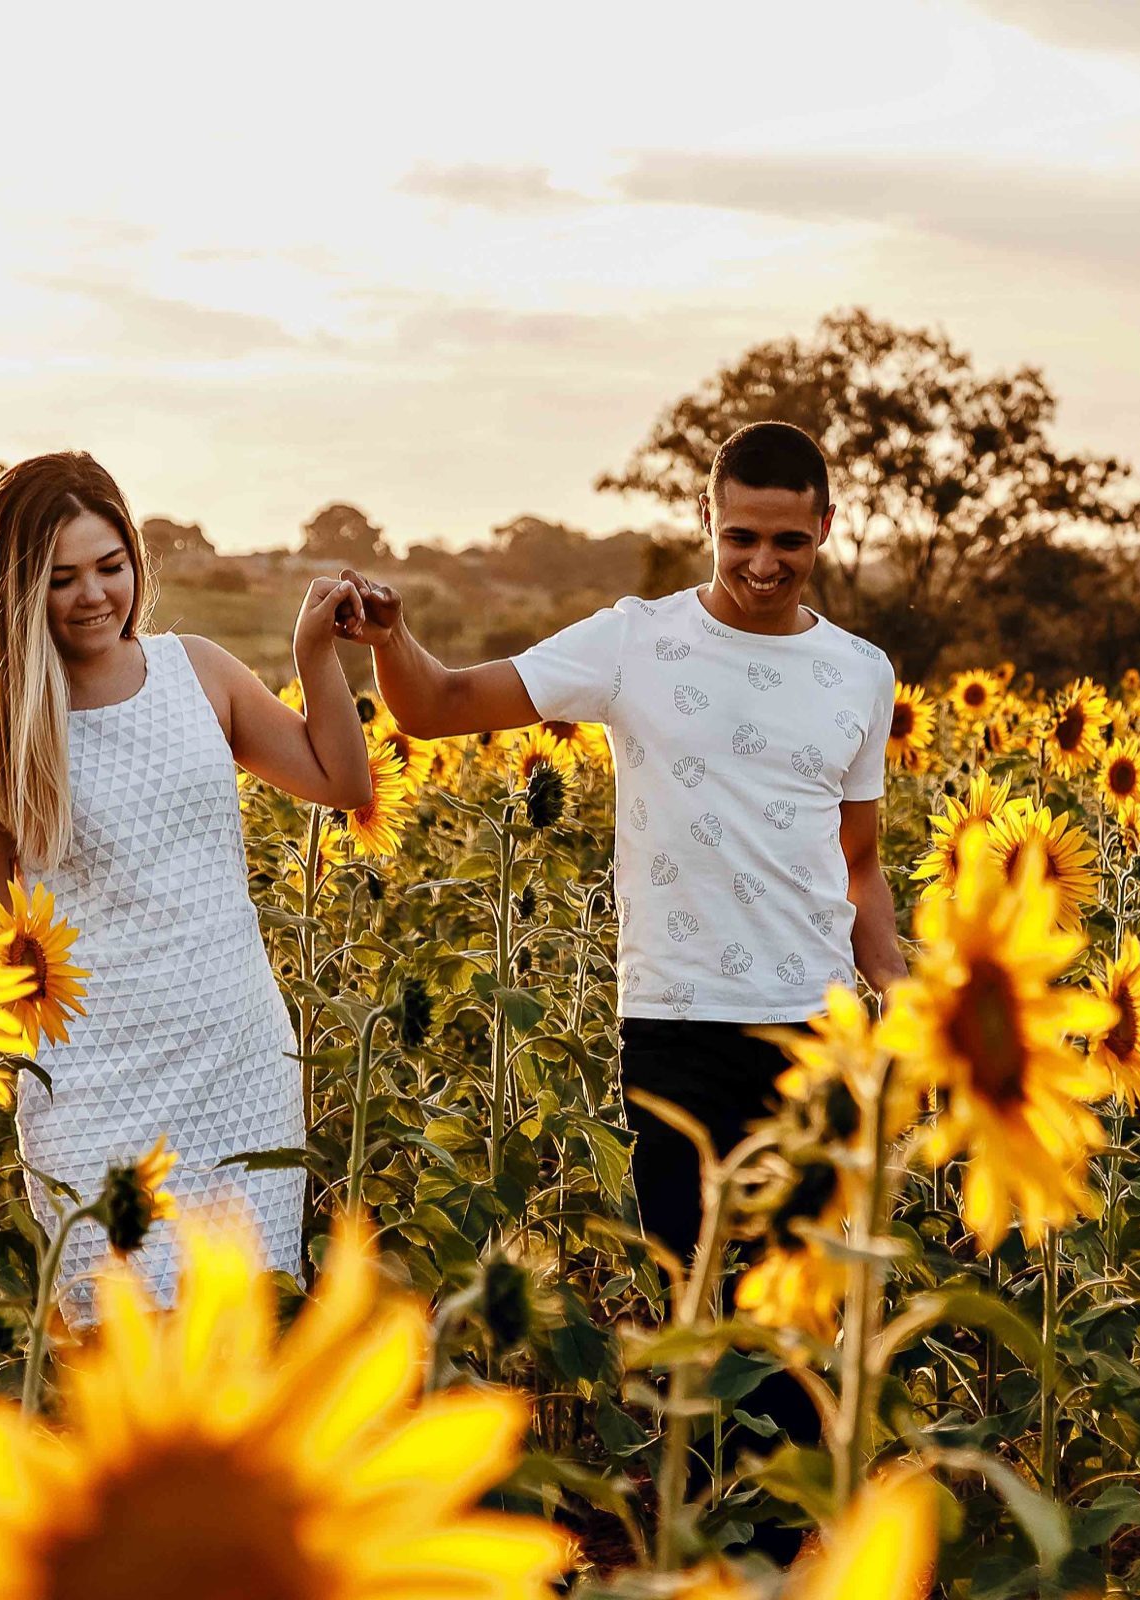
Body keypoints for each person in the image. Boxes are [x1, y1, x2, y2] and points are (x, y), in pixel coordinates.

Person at [340, 421, 907, 1541]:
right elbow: (439, 706)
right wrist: (391, 642)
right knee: (703, 1325)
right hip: (678, 1029)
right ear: (707, 522)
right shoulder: (634, 643)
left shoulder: (860, 672)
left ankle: (792, 1559)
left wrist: (891, 978)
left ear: (827, 531)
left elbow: (861, 860)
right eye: (739, 535)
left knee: (799, 1336)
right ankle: (721, 1553)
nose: (761, 562)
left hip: (819, 1035)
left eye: (788, 540)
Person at [0, 450, 371, 1314]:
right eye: (62, 578)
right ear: (17, 590)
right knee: (122, 1356)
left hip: (238, 1060)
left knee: (246, 1341)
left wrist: (312, 652)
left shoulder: (197, 672)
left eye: (111, 566)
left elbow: (342, 782)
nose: (95, 594)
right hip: (92, 1087)